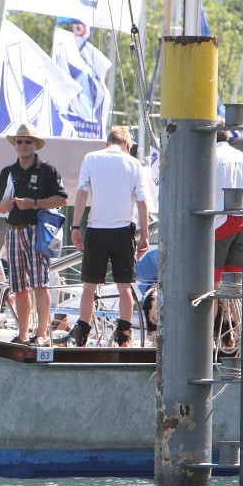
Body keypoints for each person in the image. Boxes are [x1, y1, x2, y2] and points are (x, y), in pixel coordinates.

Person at [67, 126, 149, 347]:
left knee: (88, 287)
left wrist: (76, 226)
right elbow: (142, 201)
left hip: (96, 230)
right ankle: (124, 334)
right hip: (123, 231)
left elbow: (82, 192)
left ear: (108, 142)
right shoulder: (132, 163)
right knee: (125, 287)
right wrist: (145, 235)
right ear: (126, 144)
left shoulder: (91, 158)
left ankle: (82, 332)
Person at [0, 124, 69, 345]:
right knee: (18, 286)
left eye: (28, 141)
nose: (23, 145)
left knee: (40, 283)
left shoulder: (47, 170)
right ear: (15, 145)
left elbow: (62, 199)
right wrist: (4, 206)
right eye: (19, 141)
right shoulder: (7, 172)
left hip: (38, 230)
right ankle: (23, 332)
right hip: (14, 230)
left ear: (35, 144)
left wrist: (34, 204)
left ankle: (42, 333)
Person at [214, 126, 243, 284]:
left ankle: (211, 310)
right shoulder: (242, 157)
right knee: (234, 284)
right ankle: (235, 310)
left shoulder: (210, 157)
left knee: (210, 282)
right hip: (241, 224)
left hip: (218, 224)